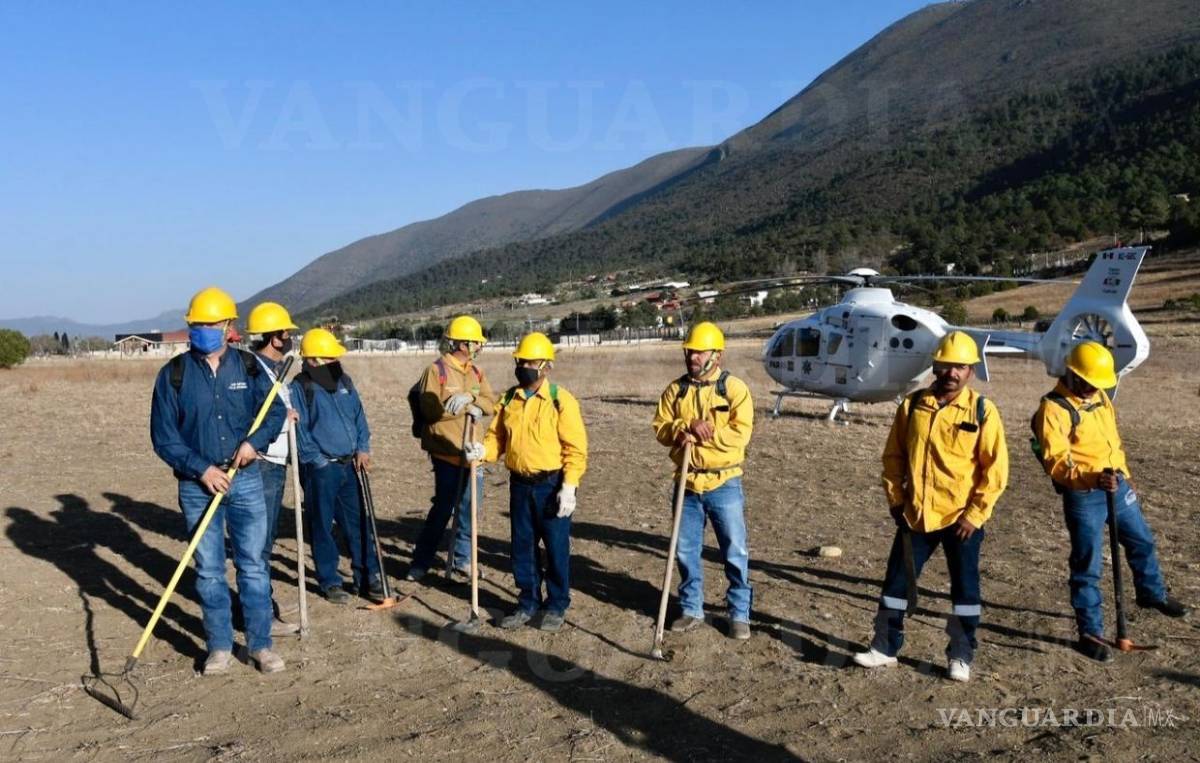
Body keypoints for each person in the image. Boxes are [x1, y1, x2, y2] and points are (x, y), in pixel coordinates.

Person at [853, 331, 1008, 682]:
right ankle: (885, 647)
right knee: (896, 583)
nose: (952, 372)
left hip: (961, 519)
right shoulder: (912, 406)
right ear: (935, 366)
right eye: (946, 365)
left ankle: (961, 654)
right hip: (916, 514)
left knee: (965, 591)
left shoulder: (983, 411)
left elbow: (995, 471)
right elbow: (893, 457)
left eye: (961, 367)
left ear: (971, 372)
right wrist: (895, 499)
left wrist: (975, 515)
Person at [150, 286, 288, 675]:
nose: (203, 330)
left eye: (211, 323)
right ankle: (220, 647)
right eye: (197, 324)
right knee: (210, 570)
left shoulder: (248, 367)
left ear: (228, 325)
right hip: (197, 486)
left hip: (245, 480)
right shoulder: (173, 375)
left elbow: (274, 411)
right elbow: (164, 438)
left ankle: (260, 646)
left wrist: (254, 443)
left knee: (254, 566)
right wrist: (201, 469)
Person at [1033, 341, 1189, 662]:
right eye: (1089, 382)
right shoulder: (1054, 409)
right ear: (1073, 374)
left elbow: (1112, 440)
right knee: (1087, 565)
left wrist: (1125, 474)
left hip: (1116, 486)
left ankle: (1151, 594)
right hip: (1085, 495)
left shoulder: (1101, 395)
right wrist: (1091, 479)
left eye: (1098, 383)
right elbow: (1056, 462)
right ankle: (1090, 631)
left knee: (1142, 541)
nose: (1094, 388)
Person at [651, 321, 754, 640]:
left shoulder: (734, 389)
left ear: (716, 355)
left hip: (724, 484)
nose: (691, 356)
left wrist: (706, 435)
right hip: (688, 484)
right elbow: (660, 427)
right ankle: (691, 608)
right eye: (689, 351)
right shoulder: (675, 390)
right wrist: (682, 428)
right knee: (685, 551)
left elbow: (742, 434)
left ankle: (739, 613)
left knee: (734, 552)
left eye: (698, 352)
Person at [481, 332, 588, 632]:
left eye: (530, 361)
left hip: (552, 485)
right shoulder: (508, 399)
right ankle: (527, 602)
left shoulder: (560, 401)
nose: (524, 366)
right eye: (520, 360)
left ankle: (556, 604)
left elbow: (575, 448)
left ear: (546, 366)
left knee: (555, 548)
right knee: (523, 547)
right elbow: (496, 439)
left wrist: (569, 486)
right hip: (519, 485)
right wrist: (481, 453)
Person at [290, 328, 380, 604]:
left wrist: (362, 448)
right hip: (321, 470)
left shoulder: (345, 382)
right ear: (313, 360)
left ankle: (368, 577)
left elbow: (359, 417)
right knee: (322, 525)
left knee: (358, 523)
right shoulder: (300, 387)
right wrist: (317, 461)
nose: (336, 362)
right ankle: (330, 581)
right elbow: (301, 431)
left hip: (350, 466)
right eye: (330, 358)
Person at [407, 316, 496, 582]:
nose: (479, 347)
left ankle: (462, 560)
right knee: (443, 509)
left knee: (470, 511)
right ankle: (420, 563)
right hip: (446, 454)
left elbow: (491, 403)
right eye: (476, 343)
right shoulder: (436, 371)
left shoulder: (477, 373)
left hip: (472, 454)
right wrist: (459, 409)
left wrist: (471, 398)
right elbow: (430, 410)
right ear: (462, 344)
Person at [246, 301, 301, 636]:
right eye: (288, 333)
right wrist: (284, 418)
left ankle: (263, 605)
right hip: (263, 464)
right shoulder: (254, 371)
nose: (292, 338)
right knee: (259, 543)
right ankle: (261, 614)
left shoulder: (273, 370)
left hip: (277, 462)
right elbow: (256, 415)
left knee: (264, 540)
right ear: (276, 337)